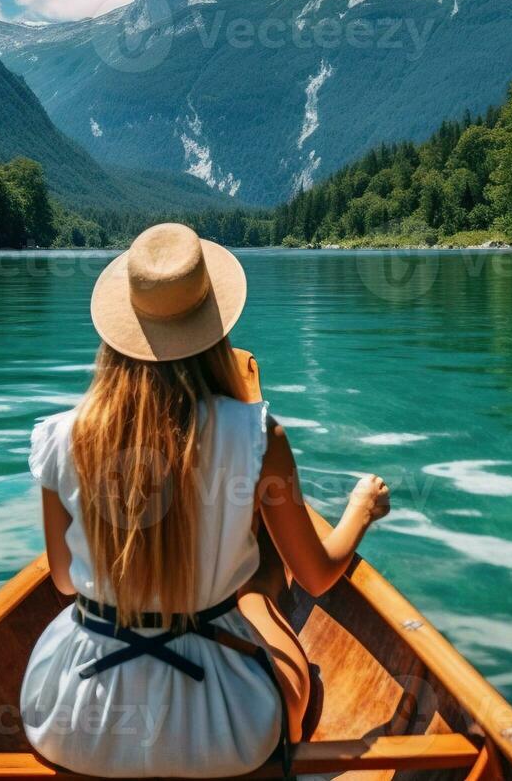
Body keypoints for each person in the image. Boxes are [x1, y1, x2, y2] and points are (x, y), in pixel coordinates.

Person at [20, 223, 391, 777]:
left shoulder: (60, 437)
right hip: (223, 733)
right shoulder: (260, 435)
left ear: (119, 334)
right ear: (216, 329)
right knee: (263, 603)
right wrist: (361, 510)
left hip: (74, 721)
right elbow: (315, 577)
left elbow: (65, 581)